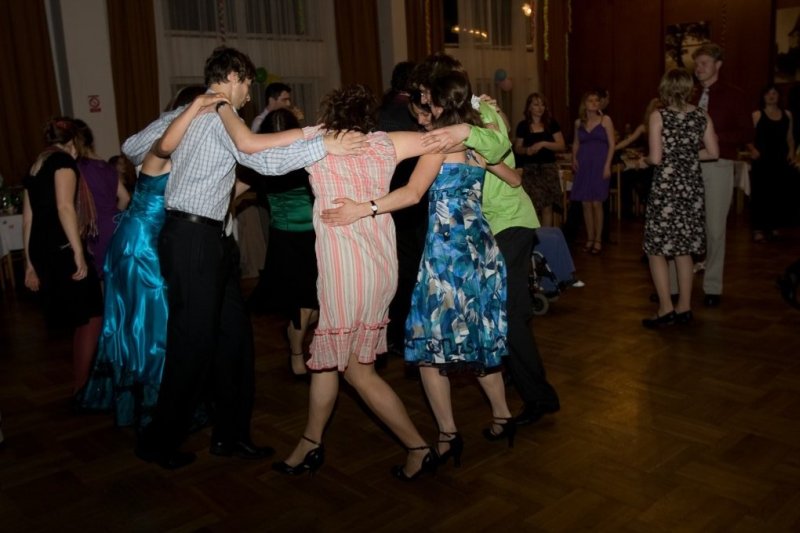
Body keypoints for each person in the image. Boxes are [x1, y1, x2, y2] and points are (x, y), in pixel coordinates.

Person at [122, 46, 365, 470]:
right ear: (233, 76)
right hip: (191, 238)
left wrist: (315, 138)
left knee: (234, 341)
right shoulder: (217, 115)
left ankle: (230, 436)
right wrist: (321, 146)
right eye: (248, 83)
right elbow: (261, 158)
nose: (250, 93)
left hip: (212, 240)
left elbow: (131, 146)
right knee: (193, 343)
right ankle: (158, 441)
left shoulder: (202, 113)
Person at [219, 84, 441, 479]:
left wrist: (219, 105)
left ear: (329, 114)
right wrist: (472, 110)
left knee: (354, 370)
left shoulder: (317, 139)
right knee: (331, 362)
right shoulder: (385, 142)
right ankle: (311, 443)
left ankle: (417, 448)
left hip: (345, 269)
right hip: (380, 267)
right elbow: (440, 142)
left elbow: (249, 144)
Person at [323, 72, 524, 468]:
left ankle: (448, 435)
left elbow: (413, 193)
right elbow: (515, 180)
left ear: (440, 105)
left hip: (448, 255)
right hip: (481, 251)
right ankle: (503, 416)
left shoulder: (439, 143)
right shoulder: (476, 141)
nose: (422, 111)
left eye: (427, 103)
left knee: (431, 348)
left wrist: (363, 208)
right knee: (479, 338)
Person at [415, 52, 561, 429]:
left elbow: (498, 148)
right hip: (487, 228)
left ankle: (538, 397)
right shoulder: (451, 119)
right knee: (502, 312)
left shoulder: (481, 111)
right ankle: (518, 384)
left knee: (509, 314)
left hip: (508, 221)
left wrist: (464, 132)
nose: (423, 99)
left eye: (426, 91)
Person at [77, 87, 220, 428]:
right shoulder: (164, 145)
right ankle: (155, 404)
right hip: (143, 243)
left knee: (132, 319)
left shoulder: (170, 143)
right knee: (152, 321)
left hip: (136, 238)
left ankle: (135, 396)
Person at [23, 117, 104, 394]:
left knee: (83, 316)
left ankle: (82, 381)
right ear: (75, 140)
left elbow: (28, 219)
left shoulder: (37, 164)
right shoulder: (63, 162)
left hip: (43, 248)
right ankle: (83, 386)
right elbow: (65, 208)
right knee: (92, 315)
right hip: (62, 248)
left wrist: (29, 263)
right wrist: (79, 252)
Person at [238, 108, 319, 376]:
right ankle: (296, 354)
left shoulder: (306, 156)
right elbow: (233, 191)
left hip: (314, 238)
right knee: (303, 304)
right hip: (286, 240)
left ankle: (294, 335)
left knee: (316, 304)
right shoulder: (261, 162)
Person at [642, 69, 718, 328]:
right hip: (690, 189)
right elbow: (713, 152)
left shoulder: (659, 115)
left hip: (666, 189)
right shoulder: (702, 115)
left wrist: (644, 160)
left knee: (656, 249)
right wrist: (687, 156)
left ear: (665, 88)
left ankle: (666, 309)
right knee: (683, 249)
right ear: (688, 89)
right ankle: (684, 307)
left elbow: (656, 158)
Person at [687, 43, 754, 307]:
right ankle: (675, 286)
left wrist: (712, 138)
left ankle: (712, 286)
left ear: (718, 65)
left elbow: (747, 133)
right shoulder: (689, 94)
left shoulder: (735, 95)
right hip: (687, 166)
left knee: (714, 229)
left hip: (718, 164)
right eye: (697, 64)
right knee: (683, 226)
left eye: (704, 63)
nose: (698, 68)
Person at [378, 61, 428, 355]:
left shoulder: (380, 111)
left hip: (387, 198)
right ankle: (407, 333)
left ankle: (390, 332)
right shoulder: (413, 114)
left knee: (394, 267)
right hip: (412, 199)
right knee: (412, 269)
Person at [73, 119, 131, 283]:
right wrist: (112, 215)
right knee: (119, 276)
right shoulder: (106, 166)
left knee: (104, 278)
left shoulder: (80, 168)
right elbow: (125, 197)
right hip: (116, 224)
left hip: (97, 229)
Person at [571, 91, 615, 255]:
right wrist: (574, 158)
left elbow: (612, 144)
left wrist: (607, 165)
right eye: (591, 100)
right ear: (585, 103)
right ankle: (589, 238)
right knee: (585, 203)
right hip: (583, 163)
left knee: (597, 202)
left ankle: (598, 239)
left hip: (599, 164)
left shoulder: (605, 120)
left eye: (597, 101)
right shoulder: (578, 123)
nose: (594, 103)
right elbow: (576, 143)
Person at [750, 84, 796, 242]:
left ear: (779, 96)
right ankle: (758, 229)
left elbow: (790, 137)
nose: (771, 96)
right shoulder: (757, 115)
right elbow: (748, 136)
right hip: (762, 160)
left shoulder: (787, 114)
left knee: (778, 194)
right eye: (768, 93)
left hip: (780, 159)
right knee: (761, 194)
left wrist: (791, 151)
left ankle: (774, 227)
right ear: (763, 96)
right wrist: (752, 149)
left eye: (774, 93)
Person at [514, 92, 566, 226]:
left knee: (547, 206)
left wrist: (543, 144)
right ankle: (534, 235)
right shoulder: (523, 126)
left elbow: (561, 145)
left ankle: (546, 236)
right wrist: (527, 150)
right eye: (536, 105)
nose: (540, 108)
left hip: (548, 169)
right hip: (530, 170)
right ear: (529, 107)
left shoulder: (551, 123)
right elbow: (517, 148)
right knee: (532, 205)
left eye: (542, 105)